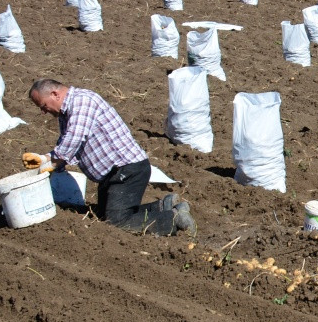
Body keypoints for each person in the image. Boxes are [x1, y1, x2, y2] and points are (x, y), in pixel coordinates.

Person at [22, 78, 195, 236]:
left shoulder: (82, 102)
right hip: (113, 174)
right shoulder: (65, 114)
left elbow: (74, 139)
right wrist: (45, 159)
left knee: (117, 222)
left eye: (43, 106)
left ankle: (174, 220)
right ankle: (163, 206)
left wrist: (50, 162)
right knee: (105, 215)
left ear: (55, 94)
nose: (43, 112)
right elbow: (67, 146)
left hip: (127, 169)